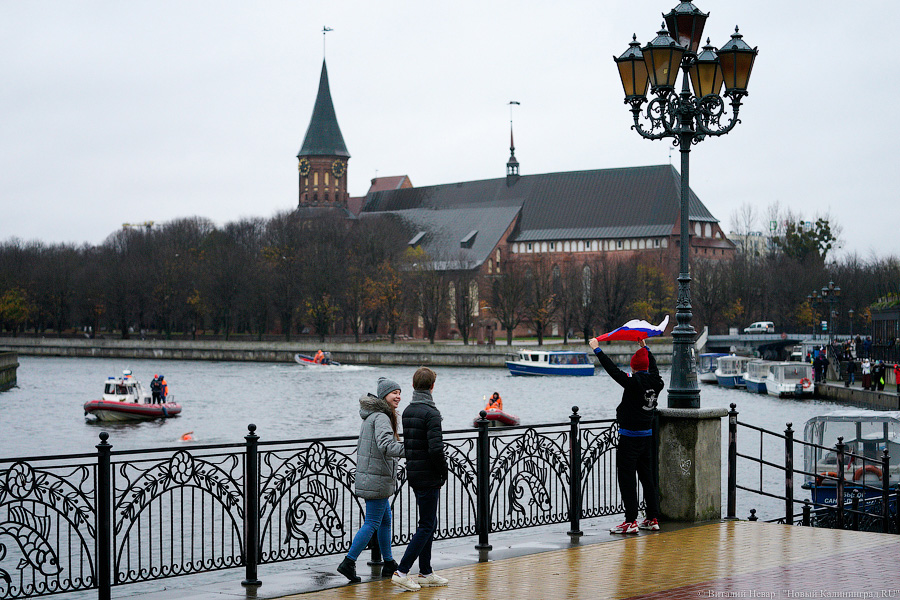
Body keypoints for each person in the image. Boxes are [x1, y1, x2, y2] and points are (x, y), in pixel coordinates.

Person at [589, 336, 664, 534]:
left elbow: (613, 371)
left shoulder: (633, 382)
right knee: (647, 478)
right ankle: (652, 517)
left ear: (633, 368)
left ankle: (630, 521)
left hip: (629, 437)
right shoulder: (657, 382)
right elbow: (654, 369)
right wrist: (646, 350)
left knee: (627, 478)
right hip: (647, 437)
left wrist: (597, 350)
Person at [337, 377, 406, 584]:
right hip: (376, 477)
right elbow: (386, 446)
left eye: (400, 392)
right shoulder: (382, 417)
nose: (398, 396)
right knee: (372, 522)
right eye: (394, 392)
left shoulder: (372, 416)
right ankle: (348, 562)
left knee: (385, 520)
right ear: (384, 395)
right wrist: (412, 449)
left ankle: (389, 562)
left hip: (373, 475)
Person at [392, 367, 449, 591]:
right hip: (429, 476)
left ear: (413, 386)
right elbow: (436, 449)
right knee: (426, 525)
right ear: (432, 387)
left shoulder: (407, 410)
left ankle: (425, 572)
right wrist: (443, 471)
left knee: (429, 522)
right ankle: (402, 571)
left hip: (415, 473)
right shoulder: (431, 413)